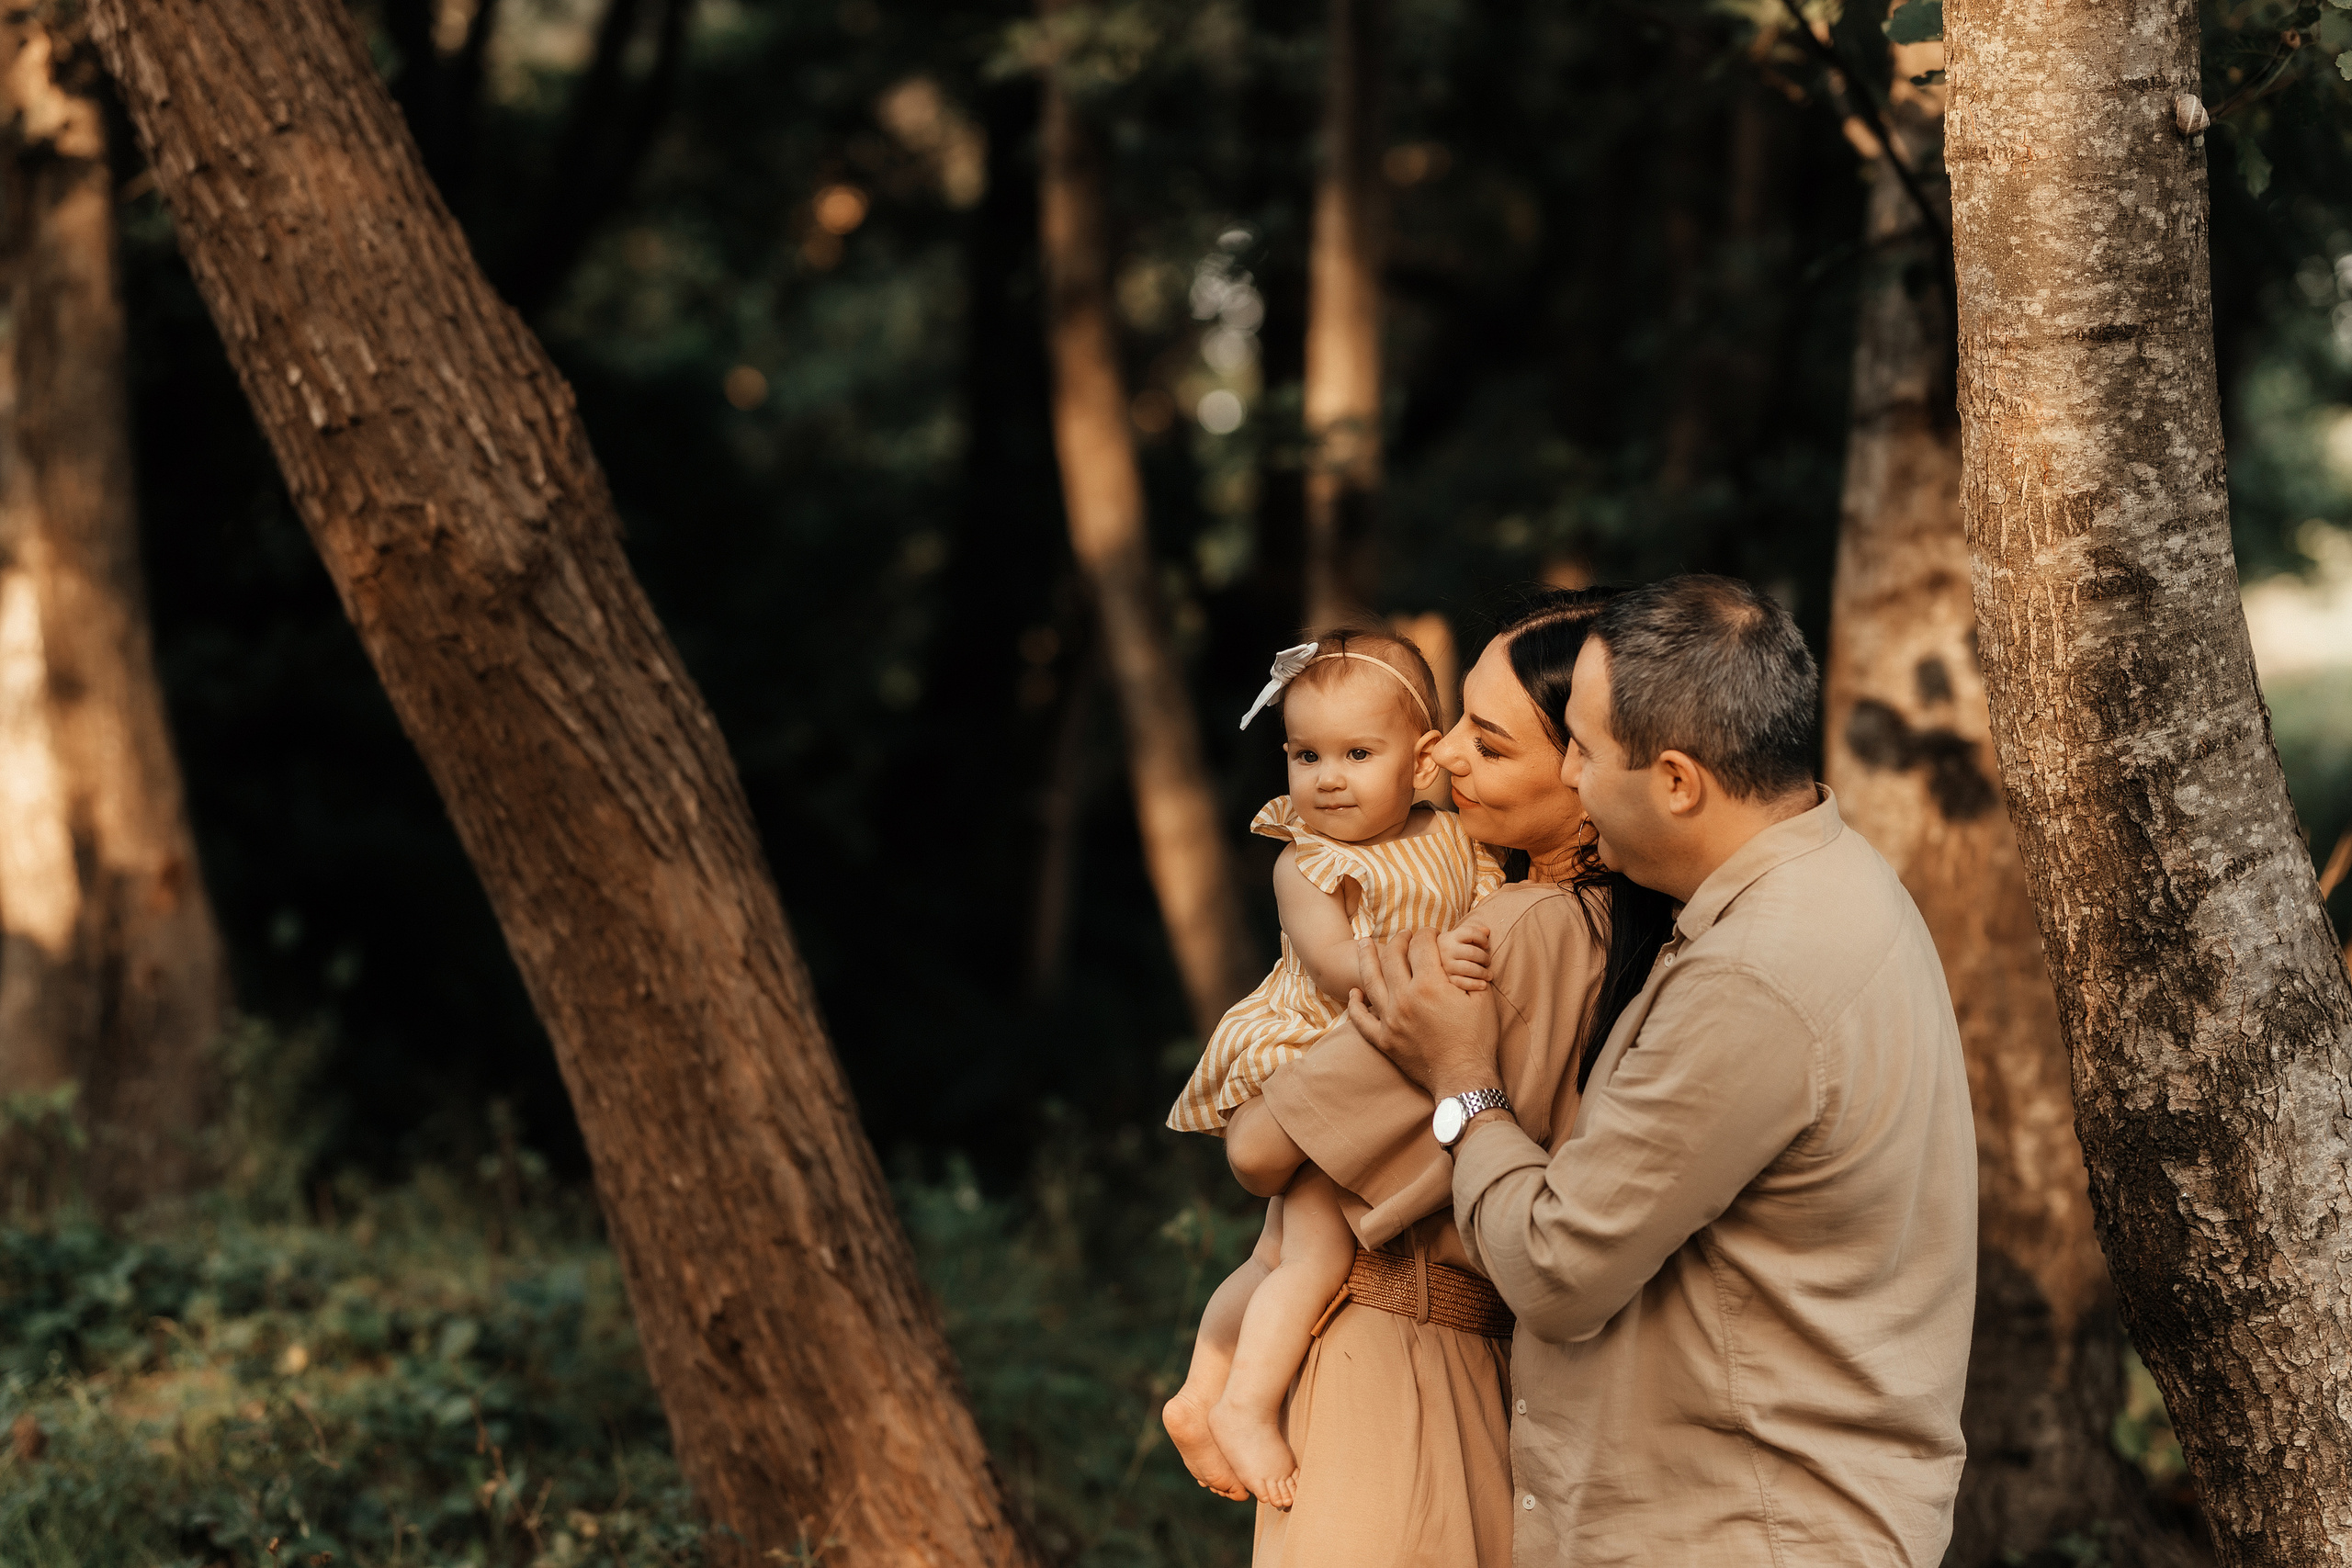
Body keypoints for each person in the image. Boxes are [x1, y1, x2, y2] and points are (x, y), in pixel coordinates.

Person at [1349, 574, 1976, 1565]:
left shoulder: (1758, 973)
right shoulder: (1828, 876)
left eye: (1584, 753)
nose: (1574, 782)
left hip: (1742, 1532)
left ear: (1678, 780)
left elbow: (1555, 1268)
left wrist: (1463, 1082)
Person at [1220, 589, 1674, 1567]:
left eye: (1490, 740)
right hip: (1499, 1376)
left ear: (1586, 765)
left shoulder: (1502, 933)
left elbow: (1258, 1150)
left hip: (1388, 1366)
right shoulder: (1634, 940)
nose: (1448, 755)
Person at [1162, 626, 1500, 1507]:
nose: (1328, 777)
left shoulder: (1457, 840)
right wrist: (1439, 955)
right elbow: (1336, 966)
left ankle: (1199, 1393)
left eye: (1357, 752)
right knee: (1315, 1250)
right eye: (1306, 754)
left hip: (1375, 1050)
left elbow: (1503, 913)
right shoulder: (1306, 861)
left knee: (1276, 1247)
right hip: (1316, 1044)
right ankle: (1244, 1404)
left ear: (1424, 759)